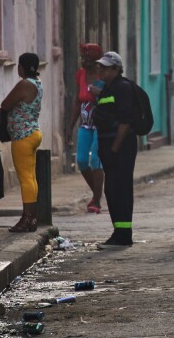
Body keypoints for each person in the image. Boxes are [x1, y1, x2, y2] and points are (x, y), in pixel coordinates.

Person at [94, 51, 140, 249]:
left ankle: (122, 235)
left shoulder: (121, 88)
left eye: (105, 67)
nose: (101, 70)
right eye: (101, 67)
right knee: (112, 190)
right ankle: (119, 232)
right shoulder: (108, 88)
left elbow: (125, 122)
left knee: (119, 190)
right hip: (110, 147)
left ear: (116, 69)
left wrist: (114, 149)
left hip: (120, 148)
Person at [1, 53, 44, 233]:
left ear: (22, 67)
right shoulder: (37, 83)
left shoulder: (25, 84)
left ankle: (27, 218)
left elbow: (5, 104)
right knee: (31, 178)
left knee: (26, 178)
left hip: (22, 136)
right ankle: (32, 218)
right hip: (33, 132)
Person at [66, 43, 105, 214]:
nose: (83, 60)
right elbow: (77, 101)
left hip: (101, 124)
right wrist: (70, 126)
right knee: (82, 160)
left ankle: (96, 200)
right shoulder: (81, 74)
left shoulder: (102, 75)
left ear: (96, 60)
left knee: (95, 159)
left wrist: (100, 93)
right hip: (86, 124)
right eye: (82, 57)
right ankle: (97, 193)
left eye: (86, 58)